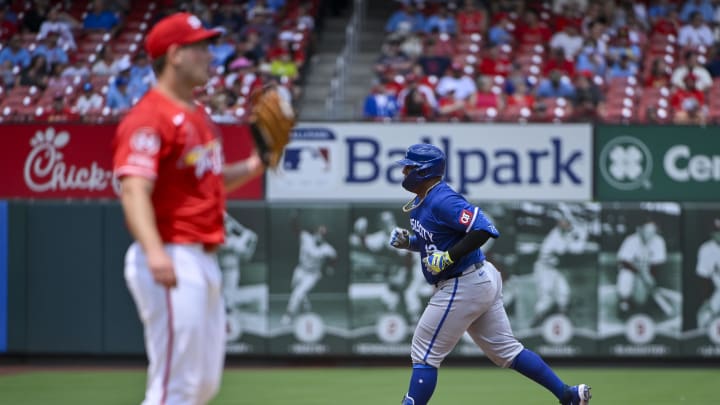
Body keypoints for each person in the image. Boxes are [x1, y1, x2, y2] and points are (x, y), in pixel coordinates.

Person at [112, 12, 265, 405]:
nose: (210, 56)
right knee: (173, 388)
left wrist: (255, 165)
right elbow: (134, 190)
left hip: (203, 256)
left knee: (201, 387)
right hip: (172, 254)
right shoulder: (148, 118)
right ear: (175, 54)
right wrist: (154, 251)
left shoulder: (198, 116)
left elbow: (210, 181)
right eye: (200, 47)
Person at [389, 143, 591, 405]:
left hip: (463, 282)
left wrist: (449, 257)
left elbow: (484, 228)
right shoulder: (422, 200)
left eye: (409, 167)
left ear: (424, 171)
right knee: (507, 352)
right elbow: (435, 241)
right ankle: (568, 395)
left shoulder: (442, 199)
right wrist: (411, 243)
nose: (404, 171)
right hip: (478, 278)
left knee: (424, 353)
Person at [530, 205, 589, 326]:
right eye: (561, 221)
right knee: (547, 296)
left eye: (564, 221)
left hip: (555, 268)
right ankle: (537, 319)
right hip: (544, 267)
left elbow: (577, 248)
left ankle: (563, 319)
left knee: (564, 292)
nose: (561, 222)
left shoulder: (570, 232)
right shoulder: (555, 235)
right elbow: (565, 254)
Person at [280, 213, 338, 325]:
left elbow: (335, 257)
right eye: (319, 232)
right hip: (300, 270)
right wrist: (294, 218)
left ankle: (289, 315)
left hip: (312, 274)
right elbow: (295, 229)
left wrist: (331, 267)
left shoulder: (327, 248)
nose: (320, 235)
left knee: (297, 294)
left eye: (323, 233)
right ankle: (306, 306)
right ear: (315, 231)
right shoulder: (306, 237)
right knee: (297, 291)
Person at [615, 217, 667, 317]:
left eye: (653, 231)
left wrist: (651, 279)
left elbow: (658, 266)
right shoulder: (631, 240)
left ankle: (649, 297)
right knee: (624, 277)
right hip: (630, 271)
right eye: (647, 231)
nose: (650, 235)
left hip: (647, 272)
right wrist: (642, 272)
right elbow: (623, 262)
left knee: (640, 301)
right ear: (639, 230)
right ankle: (624, 301)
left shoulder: (659, 241)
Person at [696, 218, 720, 329]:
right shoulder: (706, 249)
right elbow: (703, 278)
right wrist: (706, 300)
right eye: (717, 232)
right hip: (717, 292)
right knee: (703, 317)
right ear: (712, 234)